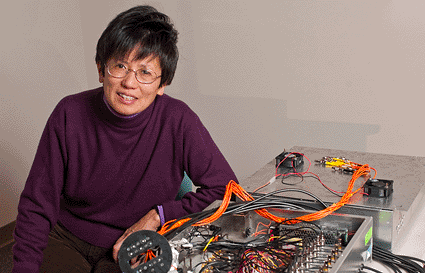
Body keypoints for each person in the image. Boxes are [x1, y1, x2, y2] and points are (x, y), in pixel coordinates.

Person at [12, 5, 238, 273]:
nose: (130, 83)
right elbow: (37, 205)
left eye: (145, 72)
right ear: (101, 69)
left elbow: (226, 189)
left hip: (136, 245)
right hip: (67, 239)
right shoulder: (68, 113)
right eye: (120, 66)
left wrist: (158, 217)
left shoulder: (178, 120)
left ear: (162, 83)